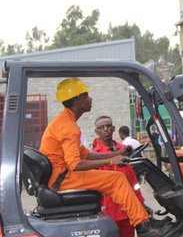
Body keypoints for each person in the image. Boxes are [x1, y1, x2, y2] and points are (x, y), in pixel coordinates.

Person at [39, 77, 161, 237]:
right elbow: (75, 164)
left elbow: (87, 155)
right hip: (62, 178)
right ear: (77, 100)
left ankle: (143, 221)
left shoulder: (66, 121)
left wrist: (117, 153)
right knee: (116, 179)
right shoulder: (68, 127)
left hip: (60, 175)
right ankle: (143, 226)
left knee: (116, 178)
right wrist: (111, 161)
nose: (90, 99)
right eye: (86, 96)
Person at [93, 116, 145, 237]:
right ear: (97, 132)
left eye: (108, 126)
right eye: (101, 127)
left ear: (113, 128)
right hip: (108, 212)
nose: (106, 129)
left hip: (128, 211)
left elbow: (132, 180)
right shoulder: (96, 156)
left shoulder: (124, 150)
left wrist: (140, 202)